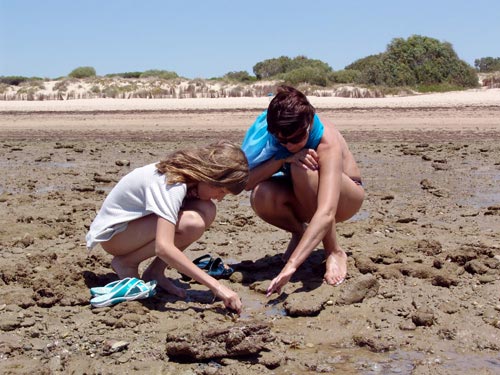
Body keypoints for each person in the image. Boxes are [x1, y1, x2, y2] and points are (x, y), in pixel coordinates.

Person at [86, 141, 249, 313]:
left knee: (207, 210)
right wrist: (217, 287)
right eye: (221, 191)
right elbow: (163, 247)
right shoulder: (172, 183)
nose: (220, 198)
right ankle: (126, 262)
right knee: (191, 223)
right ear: (210, 177)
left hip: (132, 228)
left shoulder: (188, 179)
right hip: (114, 236)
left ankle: (155, 272)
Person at [241, 85, 365, 297]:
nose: (289, 145)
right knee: (261, 193)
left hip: (346, 197)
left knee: (303, 168)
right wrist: (282, 159)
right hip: (303, 194)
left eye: (296, 139)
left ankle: (334, 250)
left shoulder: (326, 141)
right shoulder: (278, 140)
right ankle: (300, 233)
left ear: (307, 125)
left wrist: (291, 265)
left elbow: (326, 211)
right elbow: (245, 184)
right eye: (282, 141)